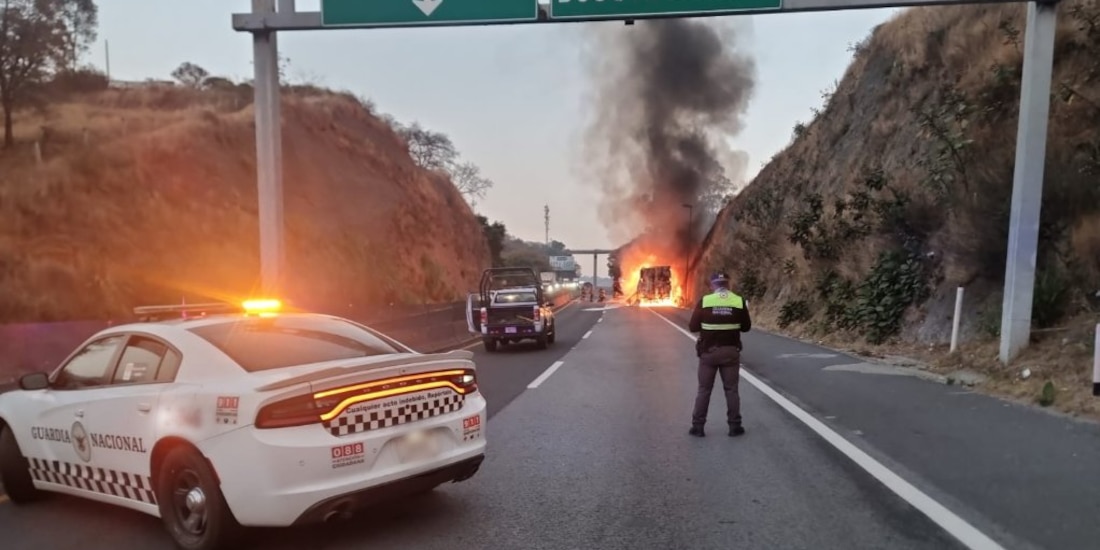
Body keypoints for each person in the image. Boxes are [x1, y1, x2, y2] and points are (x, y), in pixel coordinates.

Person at [687, 271, 752, 437]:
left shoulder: (705, 301)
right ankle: (734, 426)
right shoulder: (738, 301)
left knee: (704, 390)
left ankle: (698, 427)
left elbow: (693, 327)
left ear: (712, 285)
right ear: (728, 284)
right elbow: (746, 327)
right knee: (731, 390)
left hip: (709, 352)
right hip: (730, 352)